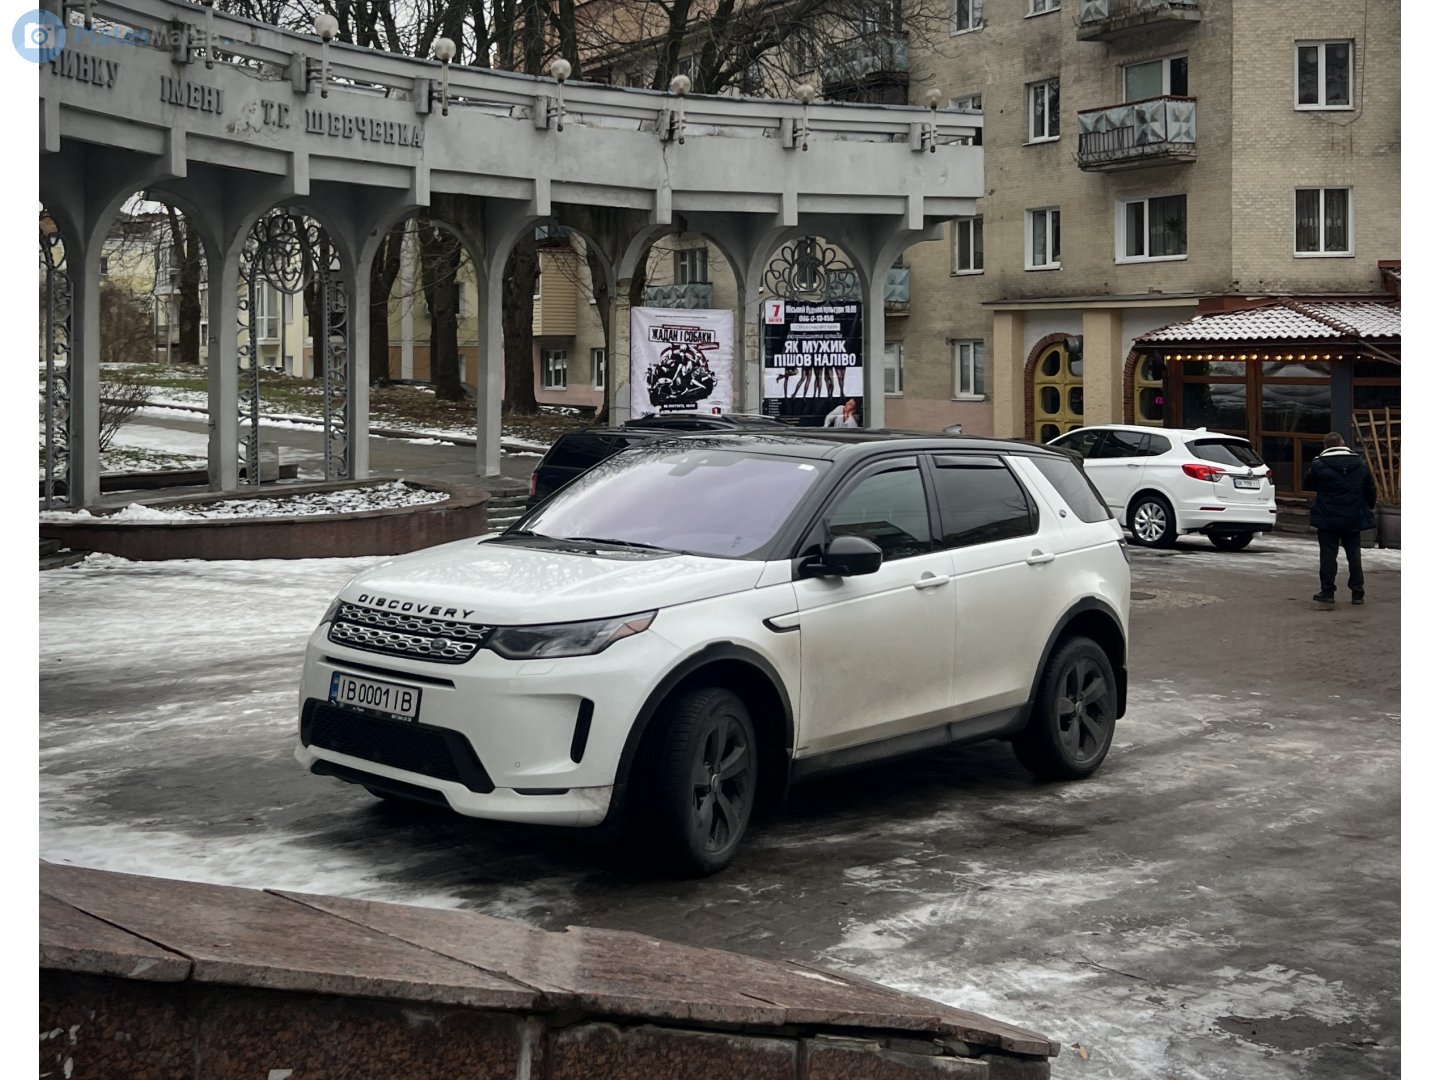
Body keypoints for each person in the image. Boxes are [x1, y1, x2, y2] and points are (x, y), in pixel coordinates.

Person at [1302, 431, 1377, 605]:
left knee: (1328, 555)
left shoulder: (1319, 464)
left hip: (1327, 517)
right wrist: (1369, 506)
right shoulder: (1360, 464)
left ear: (1325, 446)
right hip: (1353, 517)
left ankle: (1327, 592)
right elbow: (1370, 489)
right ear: (1342, 444)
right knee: (1354, 554)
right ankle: (1357, 593)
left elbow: (1307, 484)